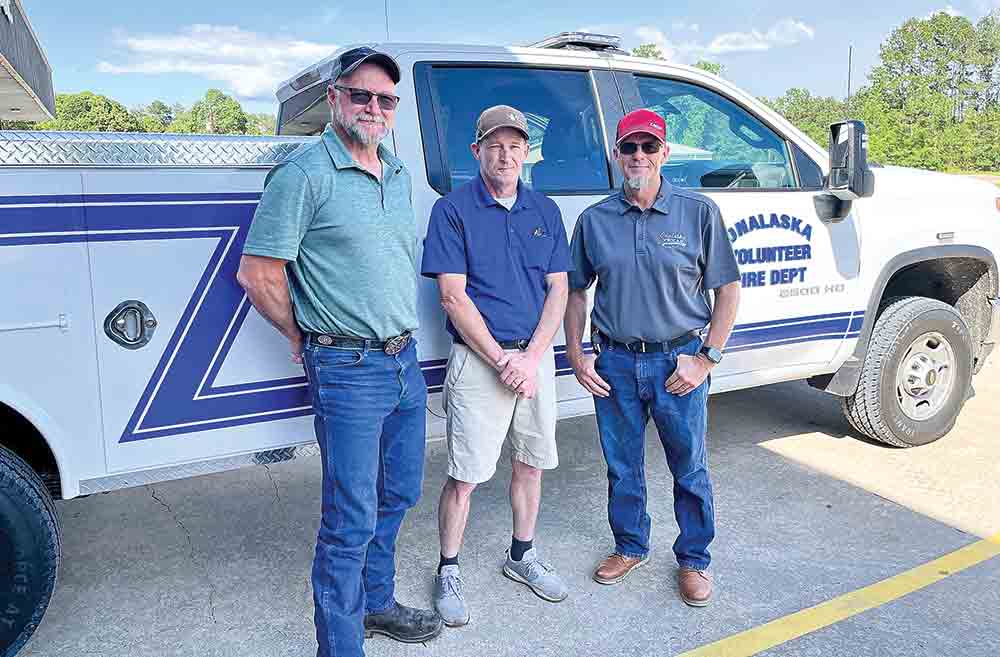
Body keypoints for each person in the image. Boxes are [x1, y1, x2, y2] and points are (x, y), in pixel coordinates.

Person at [237, 47, 442, 657]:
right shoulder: (303, 175)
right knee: (349, 521)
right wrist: (305, 336)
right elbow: (258, 274)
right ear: (335, 100)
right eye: (361, 95)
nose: (373, 108)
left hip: (403, 363)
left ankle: (376, 604)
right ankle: (341, 646)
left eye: (385, 100)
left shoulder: (398, 171)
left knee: (398, 493)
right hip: (347, 369)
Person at [564, 108, 741, 607]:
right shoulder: (594, 220)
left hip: (678, 363)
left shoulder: (697, 212)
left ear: (665, 153)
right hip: (614, 363)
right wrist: (577, 355)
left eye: (649, 147)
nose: (638, 156)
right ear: (617, 155)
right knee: (622, 467)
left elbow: (727, 289)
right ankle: (630, 545)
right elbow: (576, 292)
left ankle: (694, 560)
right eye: (629, 147)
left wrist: (706, 358)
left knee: (689, 467)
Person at [421, 105, 572, 627]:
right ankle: (448, 568)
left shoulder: (544, 210)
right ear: (476, 151)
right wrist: (502, 359)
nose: (505, 155)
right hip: (479, 361)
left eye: (515, 146)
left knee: (531, 463)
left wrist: (531, 357)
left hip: (534, 361)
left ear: (527, 153)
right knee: (465, 476)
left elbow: (559, 289)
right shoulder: (453, 210)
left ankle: (521, 555)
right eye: (495, 145)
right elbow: (452, 297)